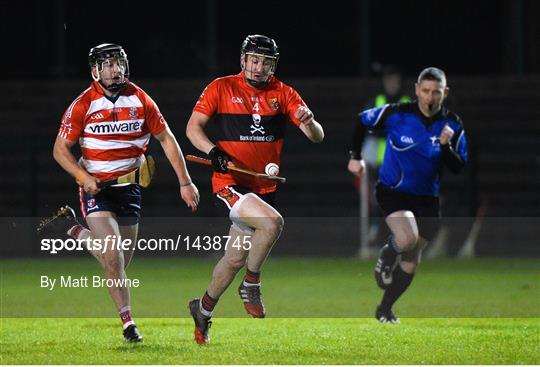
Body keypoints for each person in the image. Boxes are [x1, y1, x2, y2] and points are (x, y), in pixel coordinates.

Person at [37, 43, 200, 342]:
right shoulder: (83, 105)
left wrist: (185, 181)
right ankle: (128, 324)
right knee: (112, 254)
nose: (115, 70)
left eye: (119, 64)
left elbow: (166, 139)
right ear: (95, 70)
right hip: (97, 190)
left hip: (130, 189)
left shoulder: (140, 99)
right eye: (108, 65)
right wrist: (82, 176)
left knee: (120, 261)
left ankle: (73, 229)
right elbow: (60, 150)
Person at [185, 34, 324, 344]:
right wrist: (213, 152)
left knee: (234, 259)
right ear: (243, 60)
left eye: (266, 62)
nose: (260, 67)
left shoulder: (284, 93)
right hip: (231, 184)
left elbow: (317, 136)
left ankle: (203, 310)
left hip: (262, 189)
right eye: (255, 60)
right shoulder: (221, 87)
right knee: (273, 223)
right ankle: (252, 284)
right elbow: (192, 128)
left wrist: (310, 123)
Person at [347, 67, 467, 323]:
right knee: (407, 238)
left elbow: (458, 167)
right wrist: (355, 158)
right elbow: (362, 120)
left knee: (412, 260)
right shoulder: (398, 113)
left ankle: (385, 309)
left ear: (445, 93)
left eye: (436, 92)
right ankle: (386, 255)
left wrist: (446, 147)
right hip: (393, 191)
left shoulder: (453, 124)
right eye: (425, 91)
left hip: (427, 199)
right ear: (416, 90)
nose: (430, 97)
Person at [349, 65, 412, 249]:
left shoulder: (408, 102)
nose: (392, 84)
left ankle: (402, 237)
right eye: (389, 80)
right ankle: (376, 232)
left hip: (402, 164)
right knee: (378, 200)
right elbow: (365, 124)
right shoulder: (377, 101)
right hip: (378, 164)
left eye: (395, 80)